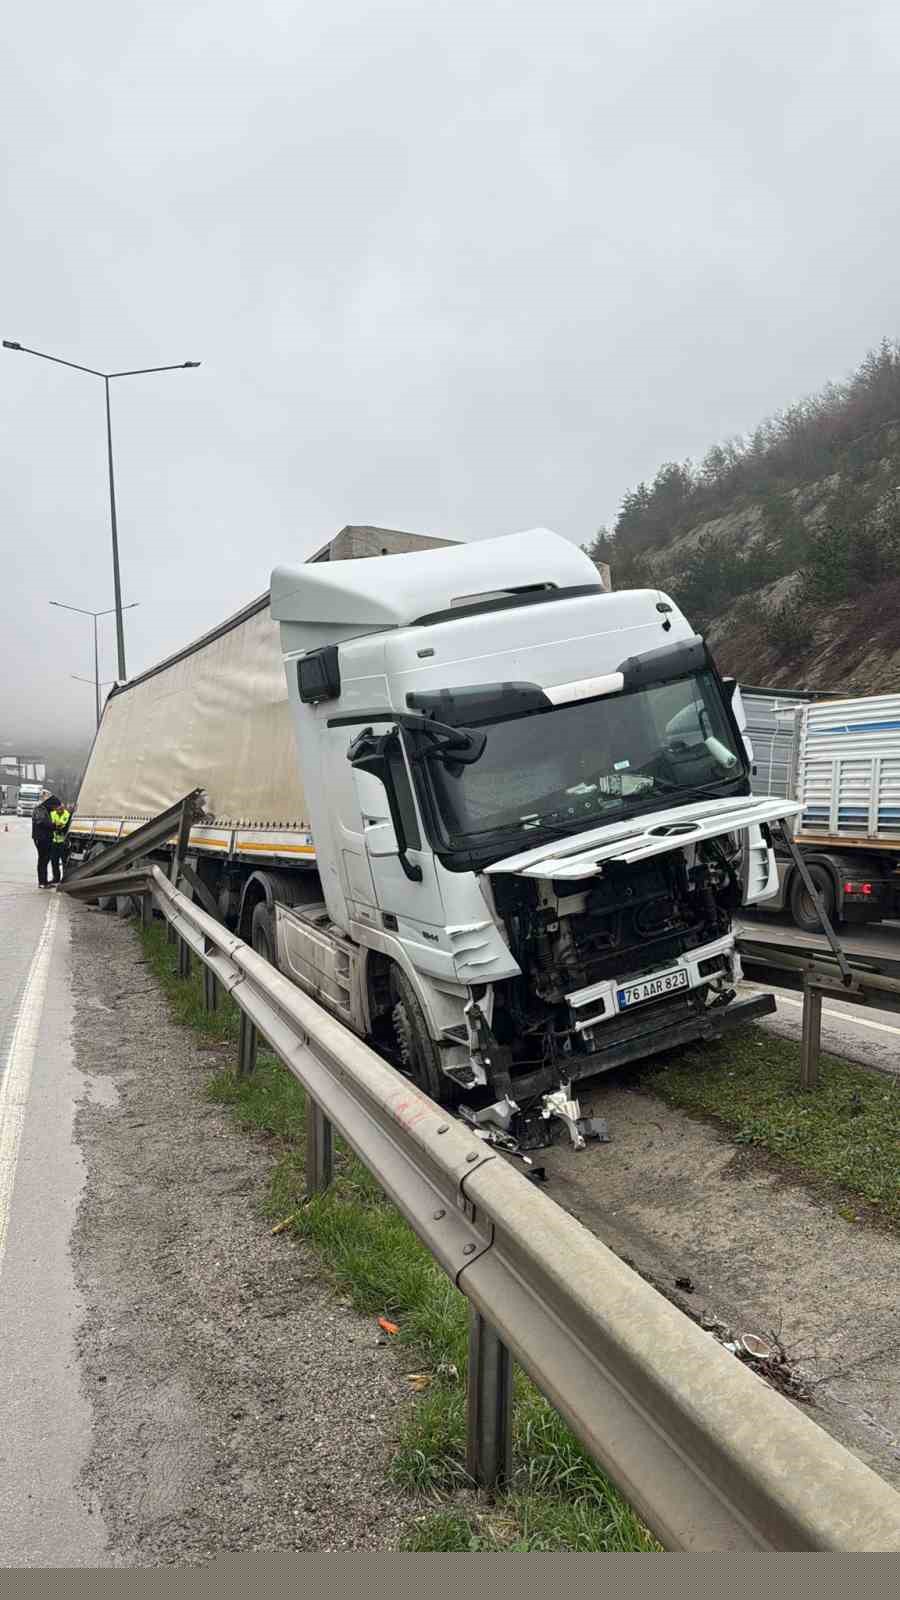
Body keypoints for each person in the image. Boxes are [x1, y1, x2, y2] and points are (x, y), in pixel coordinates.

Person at [47, 795, 71, 886]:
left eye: (60, 807)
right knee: (54, 861)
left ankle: (65, 879)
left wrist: (57, 826)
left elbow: (65, 826)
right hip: (54, 841)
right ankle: (56, 878)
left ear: (63, 807)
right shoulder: (52, 814)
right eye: (57, 807)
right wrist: (56, 826)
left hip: (63, 842)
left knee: (64, 861)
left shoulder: (67, 815)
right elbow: (50, 825)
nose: (59, 809)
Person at [31, 790, 53, 888]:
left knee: (45, 859)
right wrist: (53, 825)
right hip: (41, 837)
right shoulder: (39, 808)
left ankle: (44, 881)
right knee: (43, 859)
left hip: (45, 837)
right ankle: (42, 882)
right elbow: (41, 821)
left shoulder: (45, 808)